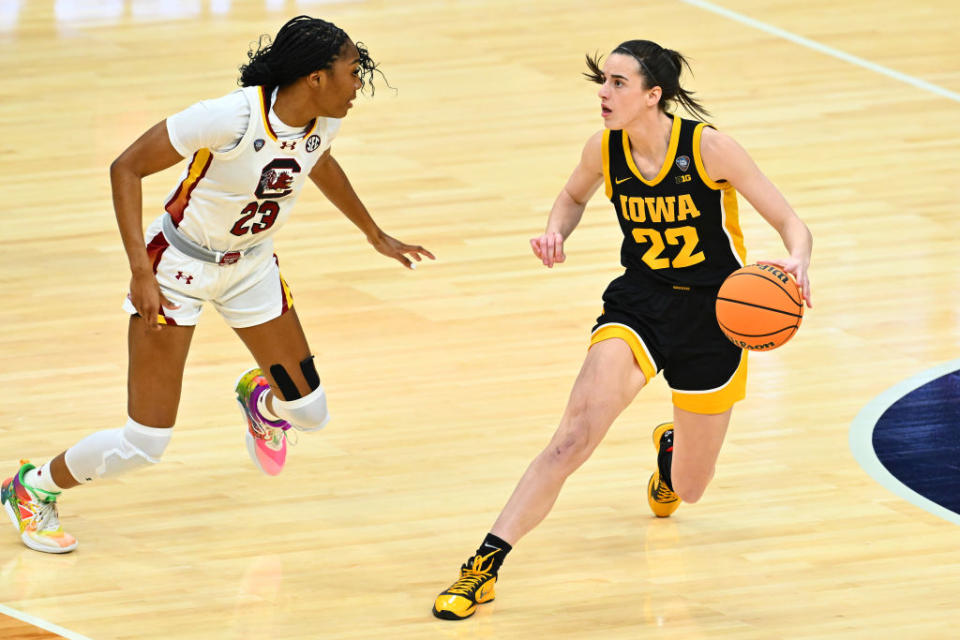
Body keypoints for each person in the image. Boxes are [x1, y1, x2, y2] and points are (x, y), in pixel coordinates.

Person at [1, 15, 434, 554]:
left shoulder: (325, 119)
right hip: (177, 271)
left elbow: (316, 161)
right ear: (316, 77)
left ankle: (260, 401)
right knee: (146, 443)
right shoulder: (227, 118)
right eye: (352, 71)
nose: (359, 83)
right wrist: (141, 271)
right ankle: (31, 487)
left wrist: (375, 233)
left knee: (310, 413)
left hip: (251, 268)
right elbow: (126, 168)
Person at [432, 39, 813, 620]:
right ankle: (482, 567)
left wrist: (797, 261)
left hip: (717, 316)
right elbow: (571, 195)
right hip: (640, 304)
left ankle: (671, 452)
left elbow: (790, 220)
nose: (604, 95)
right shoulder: (604, 150)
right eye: (601, 82)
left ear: (652, 95)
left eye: (617, 84)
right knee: (571, 437)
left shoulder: (711, 148)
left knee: (690, 488)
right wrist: (556, 230)